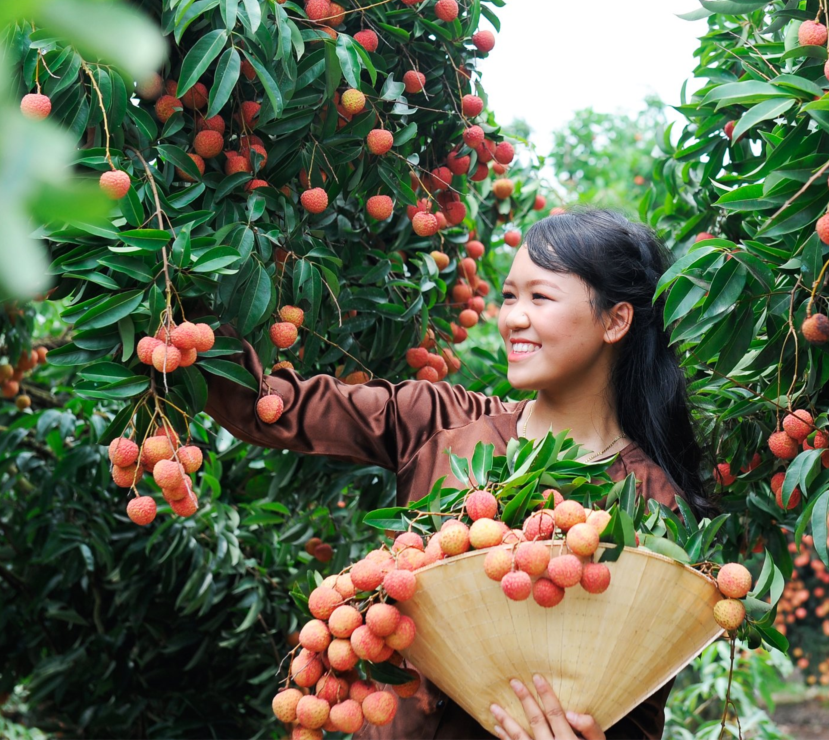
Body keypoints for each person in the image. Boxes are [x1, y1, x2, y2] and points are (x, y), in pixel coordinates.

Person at [201, 208, 717, 740]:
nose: (513, 317)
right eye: (510, 296)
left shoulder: (650, 502)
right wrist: (164, 288)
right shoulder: (439, 421)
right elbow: (271, 406)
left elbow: (636, 703)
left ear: (615, 320)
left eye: (539, 297)